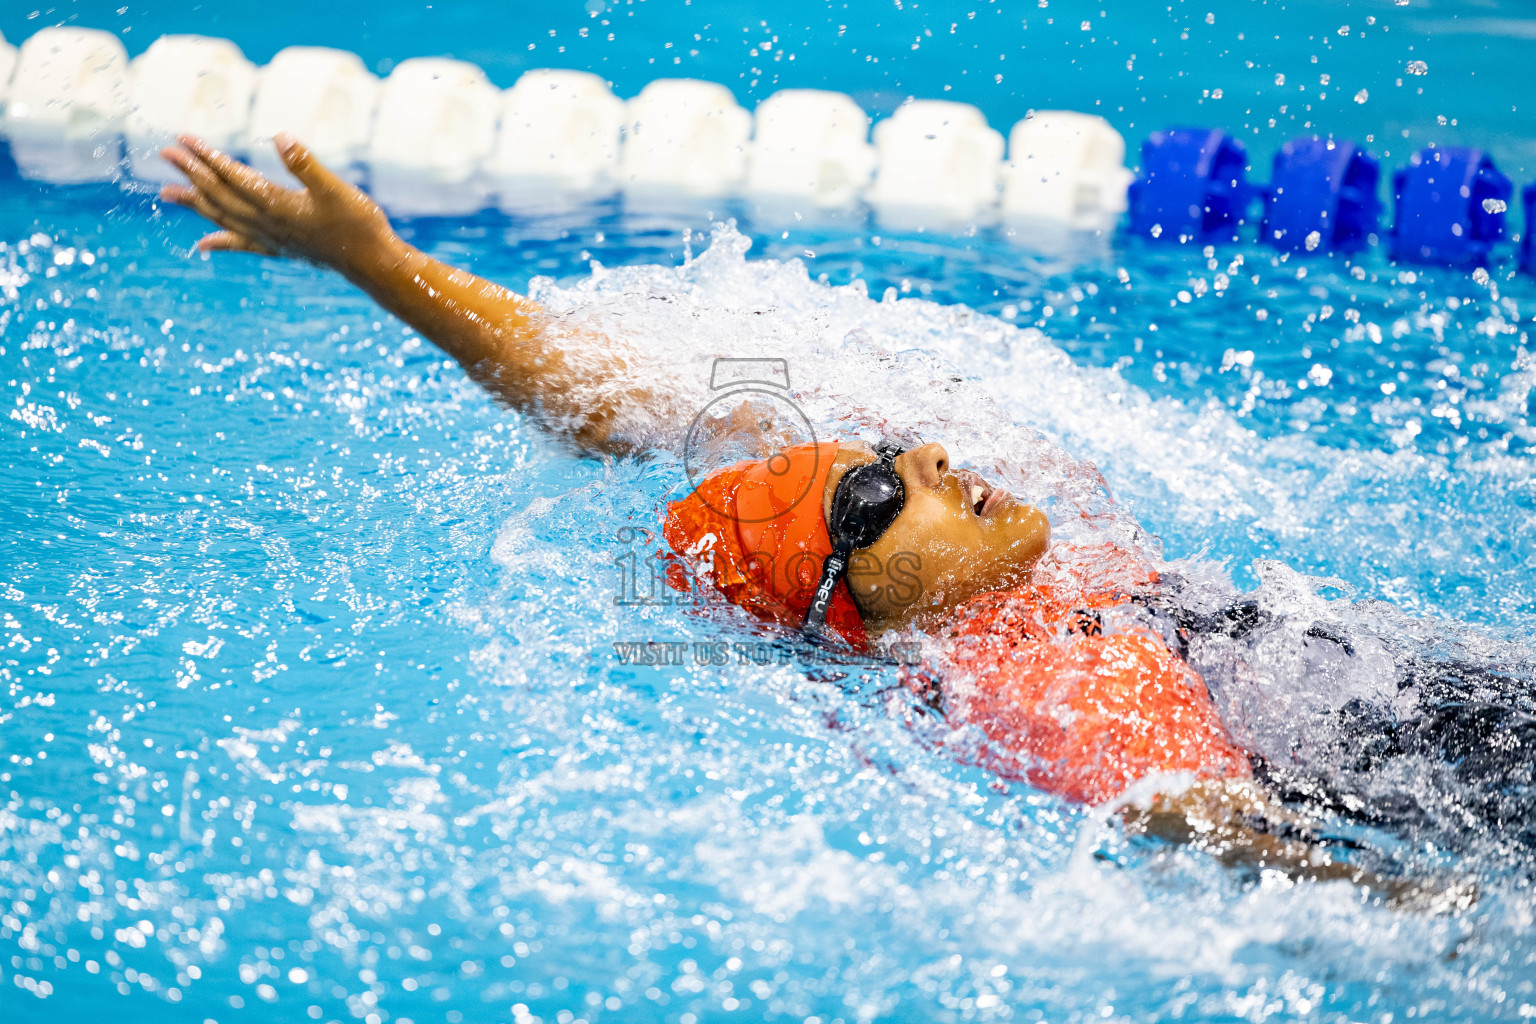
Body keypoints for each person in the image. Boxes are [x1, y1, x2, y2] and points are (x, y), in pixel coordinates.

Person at [159, 133, 1467, 905]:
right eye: (875, 493)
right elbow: (1198, 819)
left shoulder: (1008, 581)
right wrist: (1430, 910)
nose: (933, 459)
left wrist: (381, 267)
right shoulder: (1021, 661)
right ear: (855, 607)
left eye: (896, 453)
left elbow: (608, 402)